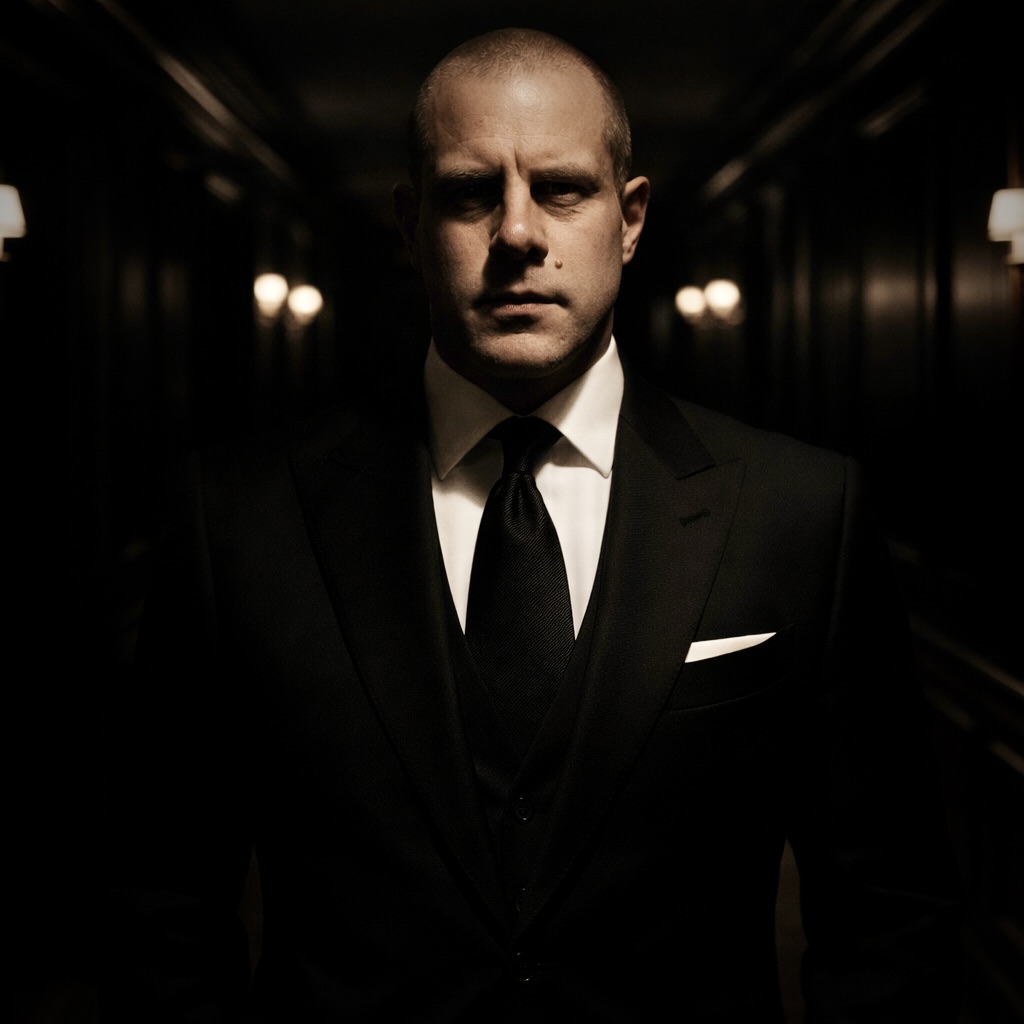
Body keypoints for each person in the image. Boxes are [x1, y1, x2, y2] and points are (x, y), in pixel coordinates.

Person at [103, 27, 963, 1023]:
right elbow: (161, 908)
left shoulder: (799, 508)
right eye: (471, 194)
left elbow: (891, 912)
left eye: (561, 189)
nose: (517, 234)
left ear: (629, 218)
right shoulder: (237, 518)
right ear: (408, 221)